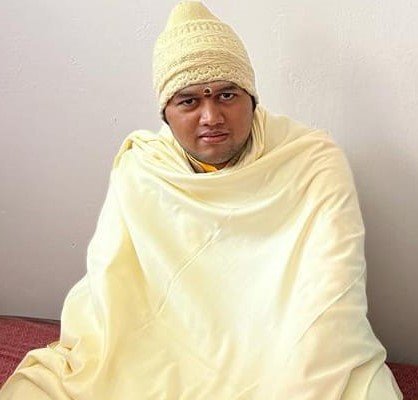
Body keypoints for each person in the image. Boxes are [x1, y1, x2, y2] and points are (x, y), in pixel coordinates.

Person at [0, 1, 403, 399]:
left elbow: (334, 296)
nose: (211, 117)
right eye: (189, 101)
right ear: (165, 113)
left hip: (287, 350)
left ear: (252, 99)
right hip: (162, 355)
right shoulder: (143, 170)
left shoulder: (312, 160)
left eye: (226, 95)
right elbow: (111, 291)